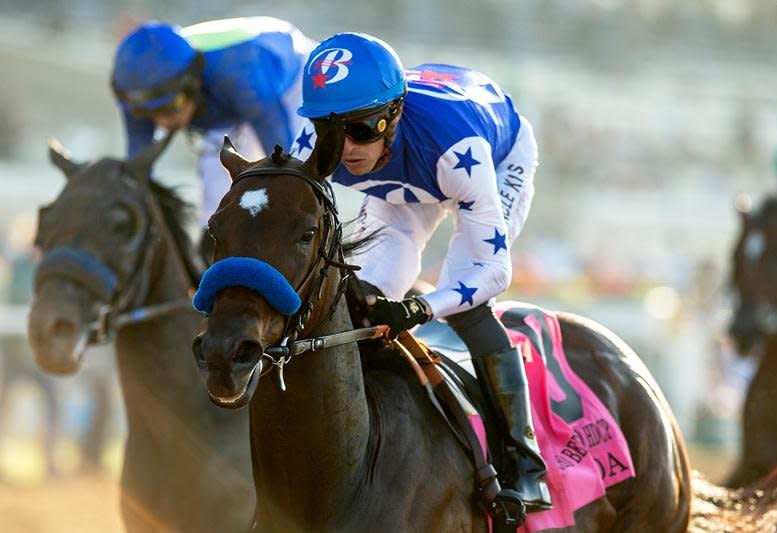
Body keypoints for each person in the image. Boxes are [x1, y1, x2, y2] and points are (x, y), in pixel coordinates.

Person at [291, 32, 551, 512]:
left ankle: (526, 464)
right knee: (361, 297)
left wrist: (421, 306)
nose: (346, 147)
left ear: (392, 117)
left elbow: (493, 271)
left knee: (468, 307)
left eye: (362, 129)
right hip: (407, 176)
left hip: (489, 155)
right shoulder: (313, 142)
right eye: (332, 130)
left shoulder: (457, 147)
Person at [111, 17, 316, 233]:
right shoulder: (138, 93)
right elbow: (137, 173)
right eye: (147, 113)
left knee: (293, 184)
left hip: (288, 84)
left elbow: (283, 156)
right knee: (215, 204)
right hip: (227, 100)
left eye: (171, 107)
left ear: (194, 83)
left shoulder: (238, 74)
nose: (162, 122)